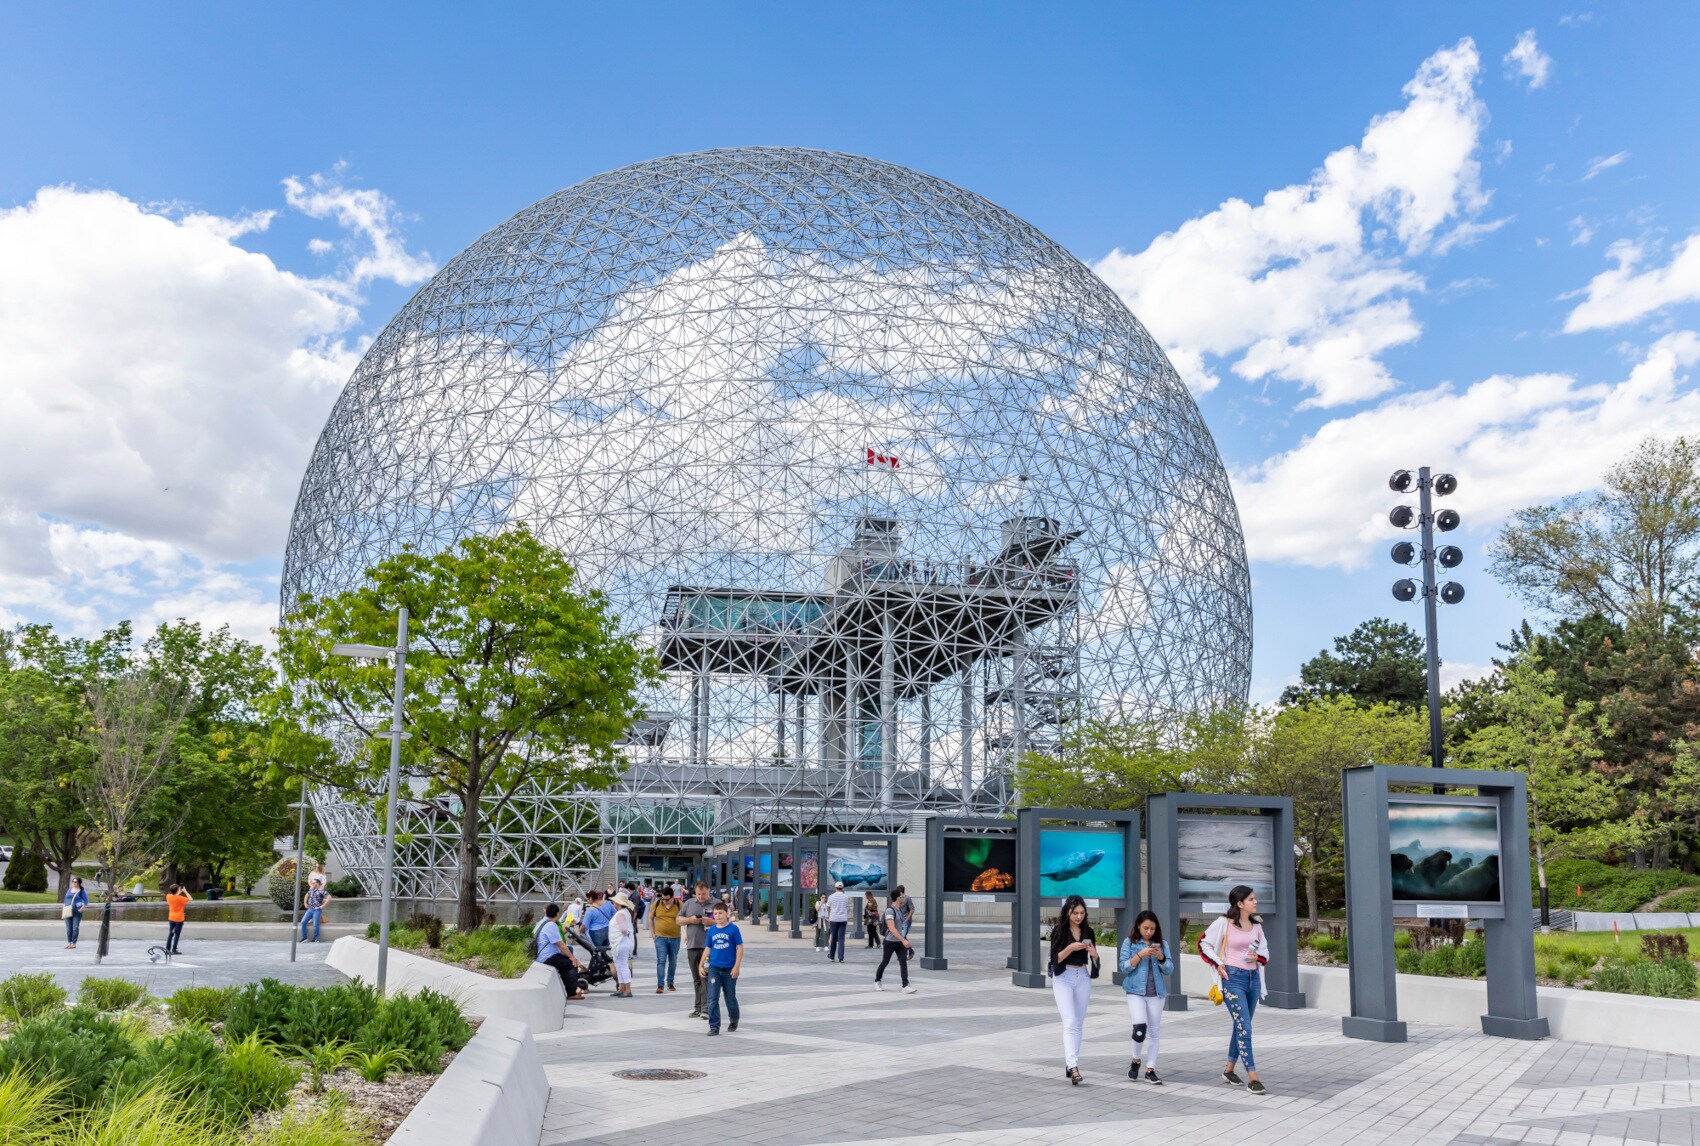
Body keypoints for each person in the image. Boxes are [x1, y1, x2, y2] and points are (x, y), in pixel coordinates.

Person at [1198, 884, 1270, 1096]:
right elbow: (1203, 944)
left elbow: (1264, 950)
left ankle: (1229, 1070)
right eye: (1251, 899)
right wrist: (1218, 964)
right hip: (1233, 980)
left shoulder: (1257, 925)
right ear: (1239, 904)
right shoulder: (1223, 923)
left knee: (1241, 1026)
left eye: (1254, 899)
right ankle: (1253, 1078)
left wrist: (1259, 957)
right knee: (1245, 1027)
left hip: (1253, 980)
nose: (1255, 902)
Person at [1049, 893, 1098, 1085]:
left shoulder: (1088, 931)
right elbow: (1055, 960)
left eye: (1082, 913)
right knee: (1069, 1021)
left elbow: (1095, 959)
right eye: (1075, 913)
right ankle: (1073, 1065)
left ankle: (1071, 1064)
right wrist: (1070, 948)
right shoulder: (1059, 932)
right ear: (1067, 912)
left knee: (1078, 1022)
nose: (1079, 917)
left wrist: (1094, 954)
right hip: (1064, 978)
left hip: (1082, 977)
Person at [1119, 909, 1170, 1085]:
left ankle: (1150, 1069)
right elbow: (1124, 967)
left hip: (1157, 994)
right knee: (1140, 1029)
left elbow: (1169, 969)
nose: (1149, 932)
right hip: (1135, 992)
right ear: (1138, 927)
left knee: (1154, 1032)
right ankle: (1135, 1060)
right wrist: (1139, 955)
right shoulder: (1130, 943)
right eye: (1146, 928)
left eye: (1152, 929)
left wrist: (1161, 957)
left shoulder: (1161, 944)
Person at [700, 901, 743, 1035]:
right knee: (712, 998)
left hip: (729, 968)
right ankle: (714, 1026)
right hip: (714, 968)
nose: (718, 916)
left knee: (730, 996)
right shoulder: (712, 930)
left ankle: (734, 1019)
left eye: (720, 913)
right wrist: (700, 965)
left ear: (726, 914)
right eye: (716, 913)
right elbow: (708, 948)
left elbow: (739, 947)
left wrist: (737, 966)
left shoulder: (733, 929)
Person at [533, 903, 586, 1000]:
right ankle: (572, 992)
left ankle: (571, 991)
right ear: (557, 914)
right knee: (572, 964)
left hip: (543, 955)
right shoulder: (551, 925)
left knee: (564, 965)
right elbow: (560, 944)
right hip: (547, 957)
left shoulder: (542, 922)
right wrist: (572, 957)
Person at [680, 882, 715, 1019]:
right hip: (693, 946)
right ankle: (698, 1007)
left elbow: (727, 921)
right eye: (698, 894)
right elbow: (678, 920)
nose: (701, 896)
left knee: (705, 977)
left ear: (709, 891)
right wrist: (690, 920)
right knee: (696, 979)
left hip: (709, 947)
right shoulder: (689, 903)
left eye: (704, 894)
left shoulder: (716, 903)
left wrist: (711, 922)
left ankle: (705, 1009)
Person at [874, 888, 918, 993]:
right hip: (890, 942)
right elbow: (892, 928)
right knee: (885, 962)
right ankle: (877, 980)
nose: (904, 897)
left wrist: (903, 940)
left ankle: (905, 985)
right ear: (898, 898)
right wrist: (904, 940)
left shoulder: (899, 910)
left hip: (899, 942)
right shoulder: (890, 910)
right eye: (902, 896)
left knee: (903, 962)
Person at [650, 885, 682, 994]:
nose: (664, 901)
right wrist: (653, 933)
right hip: (660, 937)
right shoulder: (657, 903)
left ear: (673, 897)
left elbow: (685, 918)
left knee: (673, 961)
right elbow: (650, 918)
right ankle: (660, 985)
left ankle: (670, 982)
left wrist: (687, 934)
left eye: (667, 899)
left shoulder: (679, 904)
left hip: (675, 938)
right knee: (661, 960)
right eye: (663, 898)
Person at [608, 891, 637, 998]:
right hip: (623, 942)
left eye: (614, 902)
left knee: (622, 966)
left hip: (621, 942)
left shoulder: (620, 913)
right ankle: (622, 988)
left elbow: (623, 929)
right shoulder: (625, 912)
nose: (613, 903)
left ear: (619, 903)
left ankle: (627, 989)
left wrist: (625, 933)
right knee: (620, 966)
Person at [300, 875, 331, 943]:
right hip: (310, 909)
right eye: (312, 883)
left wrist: (323, 906)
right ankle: (304, 938)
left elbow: (329, 898)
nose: (312, 884)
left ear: (317, 883)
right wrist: (305, 903)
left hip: (317, 910)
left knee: (315, 924)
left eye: (313, 883)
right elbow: (306, 895)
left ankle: (316, 938)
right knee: (303, 922)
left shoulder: (321, 890)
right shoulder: (311, 889)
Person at [824, 881, 850, 961]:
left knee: (834, 938)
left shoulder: (831, 896)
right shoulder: (846, 897)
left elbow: (828, 907)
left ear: (835, 888)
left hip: (834, 919)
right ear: (842, 888)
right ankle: (841, 957)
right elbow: (846, 906)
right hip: (843, 919)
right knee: (841, 939)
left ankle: (832, 956)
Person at [164, 883, 192, 955]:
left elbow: (174, 896)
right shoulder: (180, 898)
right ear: (177, 890)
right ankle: (174, 949)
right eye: (179, 889)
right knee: (177, 934)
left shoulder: (168, 896)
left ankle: (167, 949)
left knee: (171, 933)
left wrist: (178, 892)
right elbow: (190, 899)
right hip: (179, 919)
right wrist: (185, 891)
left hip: (171, 918)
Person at [62, 875, 88, 949]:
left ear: (79, 883)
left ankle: (74, 943)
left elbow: (86, 901)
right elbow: (65, 900)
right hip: (67, 910)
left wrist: (82, 908)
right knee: (68, 928)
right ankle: (69, 943)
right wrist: (64, 907)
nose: (74, 883)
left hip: (77, 911)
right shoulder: (69, 889)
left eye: (75, 882)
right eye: (73, 881)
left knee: (75, 927)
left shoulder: (81, 891)